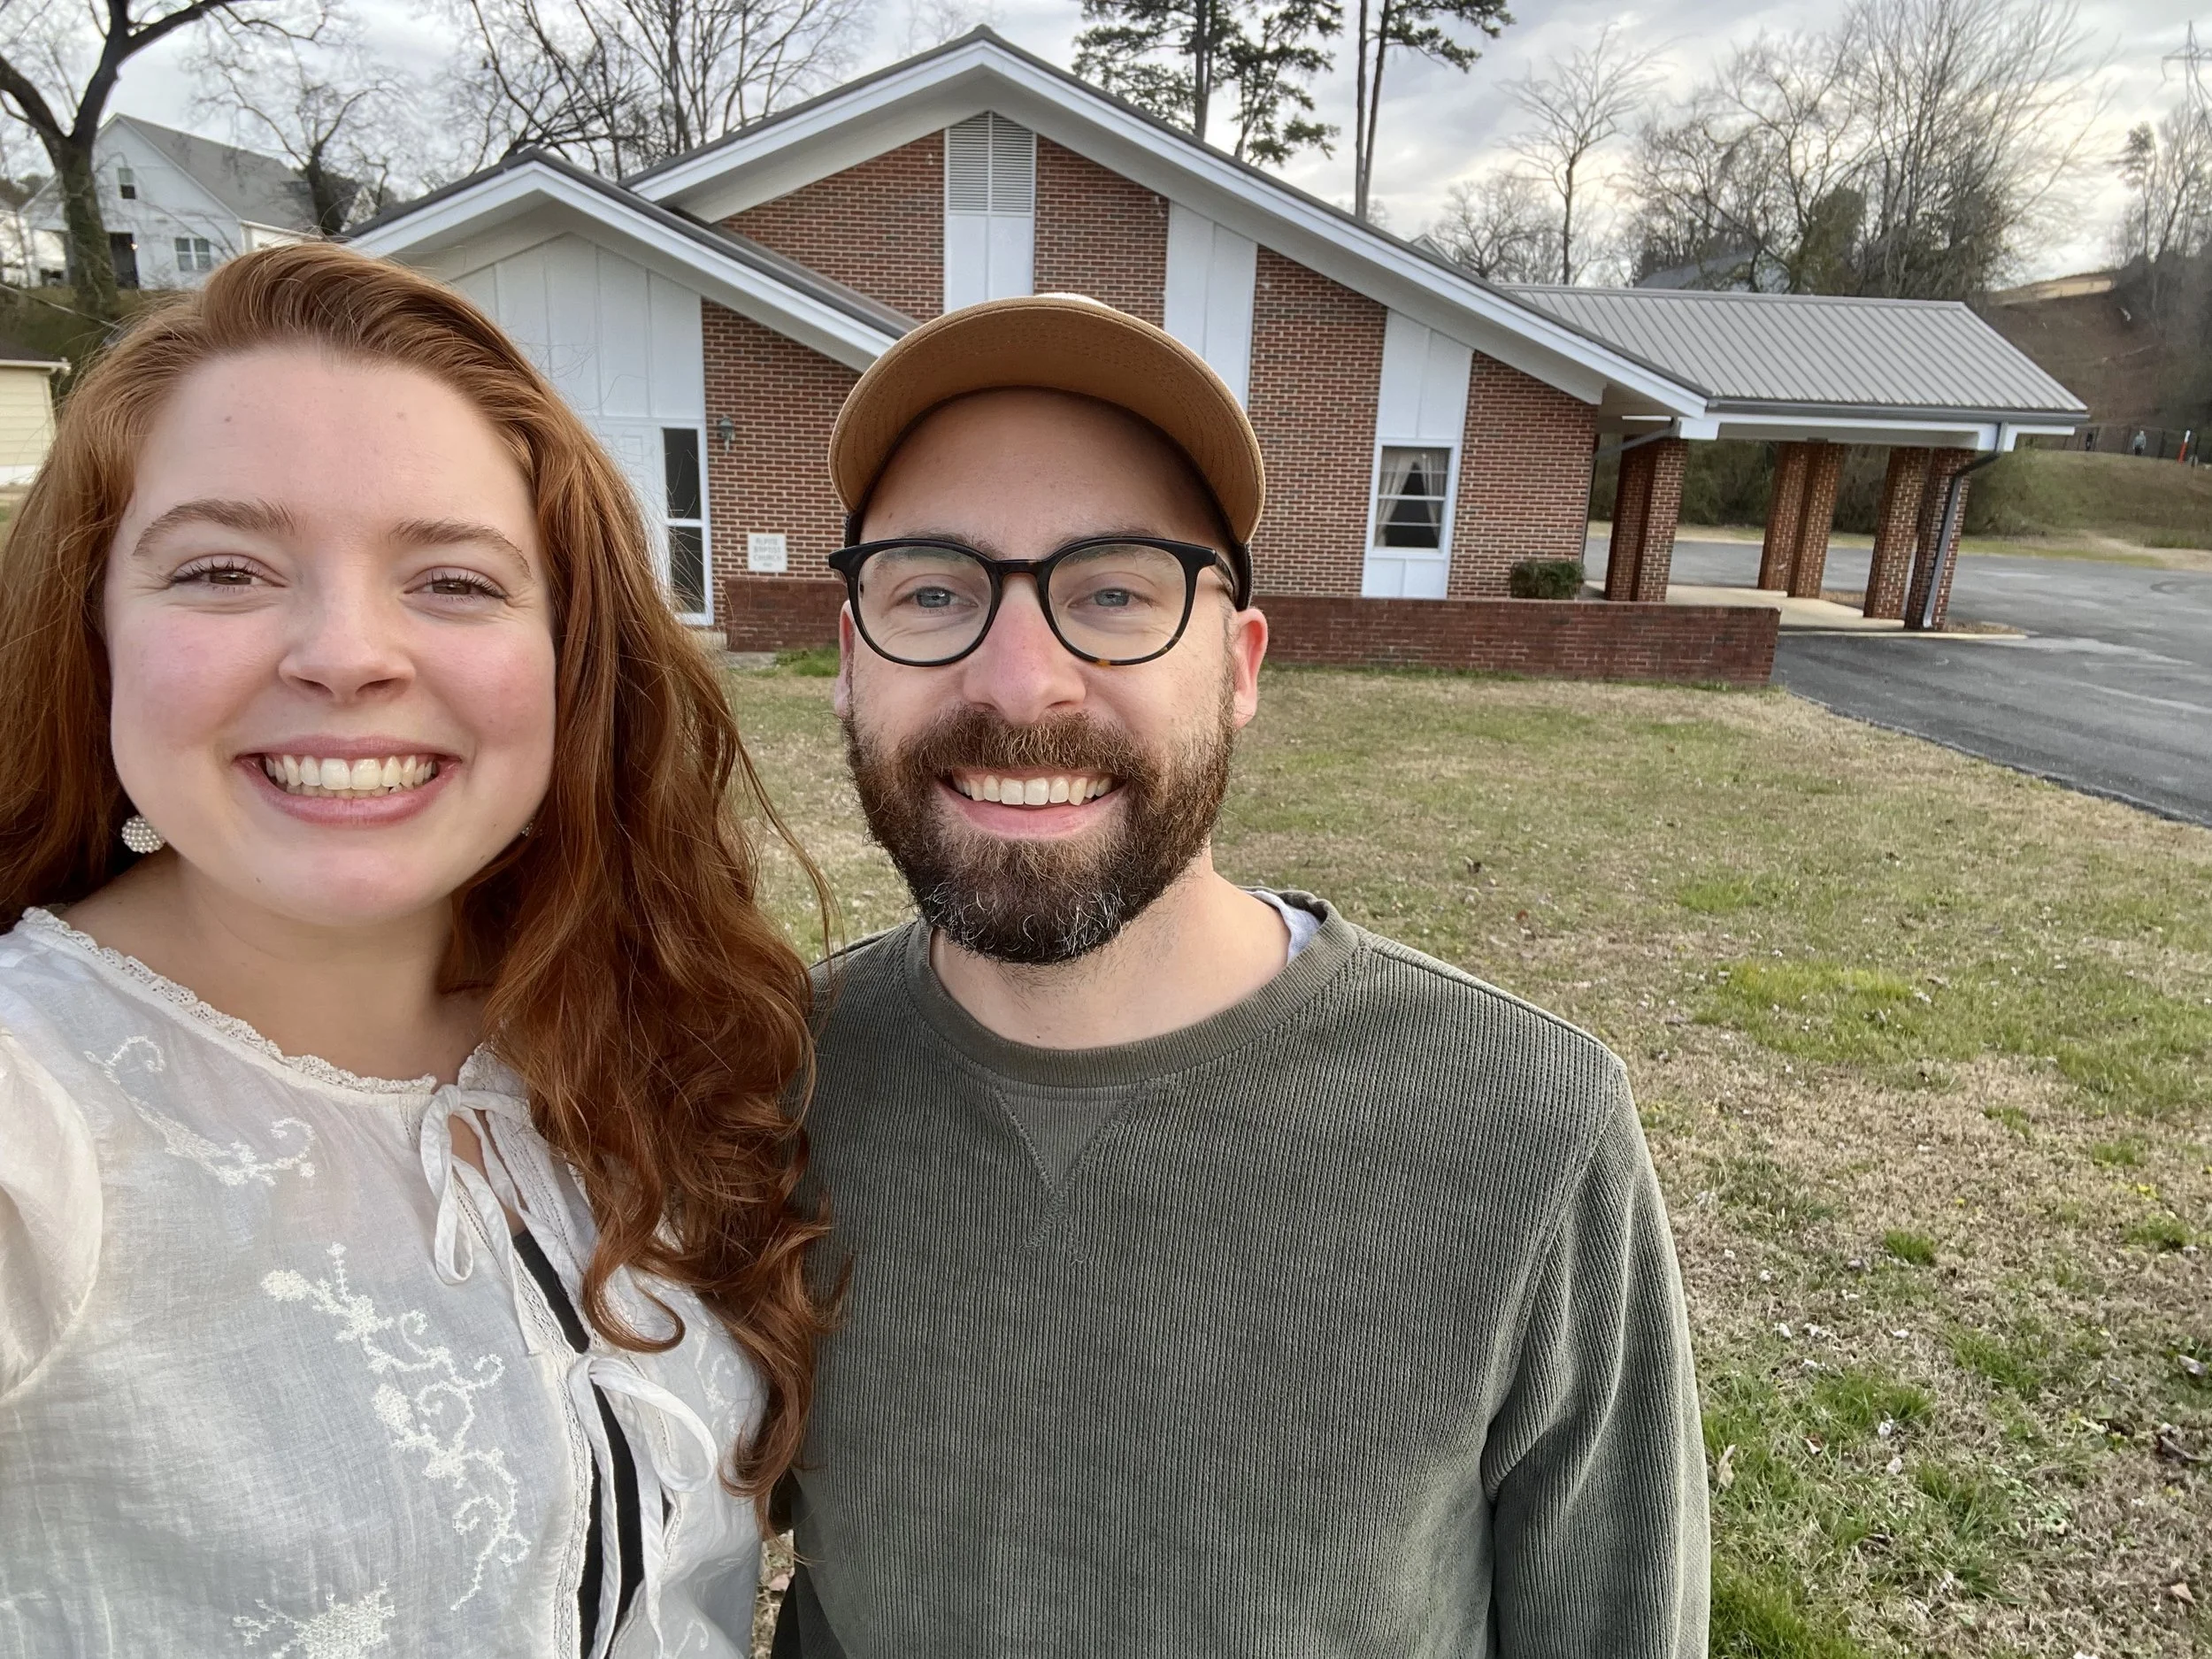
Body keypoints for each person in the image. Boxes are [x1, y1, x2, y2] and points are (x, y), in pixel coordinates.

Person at [773, 295, 1709, 1657]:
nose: (1022, 680)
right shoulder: (762, 1087)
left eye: (1113, 591)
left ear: (1241, 666)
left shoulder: (1531, 1130)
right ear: (853, 664)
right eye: (932, 589)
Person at [0, 243, 830, 1657]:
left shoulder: (640, 1036)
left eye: (451, 580)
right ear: (93, 634)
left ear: (569, 660)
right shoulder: (36, 1110)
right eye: (222, 568)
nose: (345, 651)